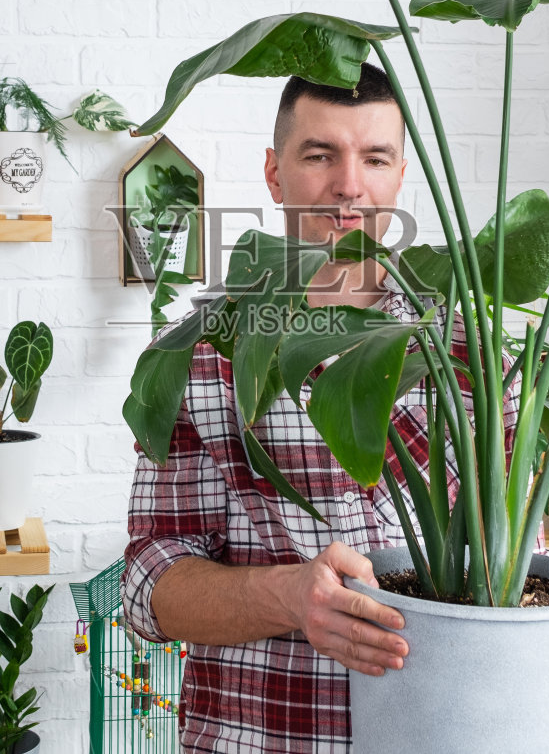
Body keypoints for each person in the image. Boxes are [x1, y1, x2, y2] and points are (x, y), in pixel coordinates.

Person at [122, 63, 518, 753]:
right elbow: (150, 583)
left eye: (375, 157)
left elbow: (526, 560)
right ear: (275, 174)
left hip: (451, 730)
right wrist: (290, 596)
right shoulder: (199, 351)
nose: (350, 185)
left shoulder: (475, 351)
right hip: (263, 736)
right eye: (320, 154)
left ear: (400, 175)